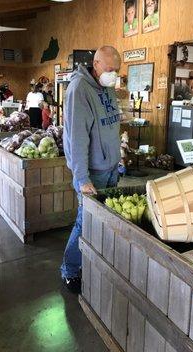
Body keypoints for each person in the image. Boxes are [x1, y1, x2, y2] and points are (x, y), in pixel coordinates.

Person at [61, 45, 122, 293]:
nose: (113, 74)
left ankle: (94, 262)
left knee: (105, 222)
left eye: (117, 70)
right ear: (95, 64)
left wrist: (118, 156)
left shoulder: (107, 87)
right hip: (92, 174)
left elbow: (111, 126)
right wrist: (82, 178)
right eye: (109, 69)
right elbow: (77, 139)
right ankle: (70, 270)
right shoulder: (79, 90)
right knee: (84, 223)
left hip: (110, 168)